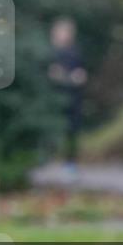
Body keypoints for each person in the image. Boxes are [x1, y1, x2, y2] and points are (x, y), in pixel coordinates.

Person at [47, 17, 87, 181]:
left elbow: (81, 73)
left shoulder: (75, 52)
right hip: (54, 100)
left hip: (73, 98)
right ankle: (48, 161)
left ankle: (70, 164)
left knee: (72, 132)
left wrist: (77, 77)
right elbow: (51, 74)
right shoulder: (49, 53)